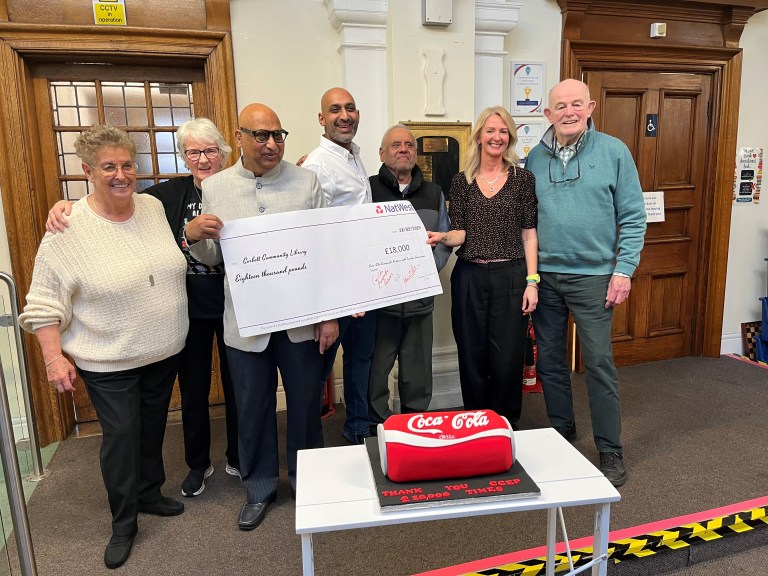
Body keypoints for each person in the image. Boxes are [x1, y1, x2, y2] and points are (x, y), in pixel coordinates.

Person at [19, 124, 188, 569]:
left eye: (127, 164)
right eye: (109, 166)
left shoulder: (151, 207)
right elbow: (42, 303)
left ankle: (150, 493)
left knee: (152, 428)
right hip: (107, 359)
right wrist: (54, 357)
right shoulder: (67, 227)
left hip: (162, 349)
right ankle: (124, 522)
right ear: (88, 171)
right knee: (121, 437)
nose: (120, 174)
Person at [45, 118, 240, 499]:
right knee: (194, 390)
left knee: (240, 388)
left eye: (210, 150)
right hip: (187, 313)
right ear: (184, 157)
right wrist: (65, 206)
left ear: (223, 152)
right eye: (193, 152)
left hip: (237, 306)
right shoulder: (161, 198)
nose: (202, 159)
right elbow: (114, 206)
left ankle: (239, 455)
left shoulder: (240, 188)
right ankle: (198, 464)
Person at [184, 103, 339, 531]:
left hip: (300, 321)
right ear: (238, 138)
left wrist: (330, 316)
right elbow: (214, 256)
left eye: (277, 134)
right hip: (245, 324)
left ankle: (309, 484)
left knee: (306, 406)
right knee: (252, 409)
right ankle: (259, 488)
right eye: (260, 135)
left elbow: (325, 253)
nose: (271, 144)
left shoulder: (306, 182)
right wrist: (194, 238)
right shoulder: (215, 186)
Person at [525, 79, 647, 487]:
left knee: (597, 363)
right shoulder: (534, 159)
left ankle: (610, 449)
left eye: (577, 104)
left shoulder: (614, 152)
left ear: (590, 107)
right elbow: (528, 223)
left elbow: (633, 215)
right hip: (547, 276)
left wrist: (624, 269)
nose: (569, 112)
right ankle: (562, 431)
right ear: (548, 113)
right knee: (551, 362)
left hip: (595, 278)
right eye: (560, 106)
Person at [427, 106, 538, 430]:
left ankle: (506, 427)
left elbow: (529, 234)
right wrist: (442, 236)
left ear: (510, 138)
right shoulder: (462, 182)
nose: (496, 137)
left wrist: (532, 282)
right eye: (490, 130)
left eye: (503, 131)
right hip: (470, 278)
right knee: (472, 356)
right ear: (478, 136)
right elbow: (461, 231)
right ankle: (476, 426)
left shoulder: (522, 179)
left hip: (511, 277)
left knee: (507, 359)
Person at [302, 87, 376, 445]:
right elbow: (316, 237)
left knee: (360, 359)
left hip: (363, 281)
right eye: (335, 110)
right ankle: (310, 444)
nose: (344, 116)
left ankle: (358, 427)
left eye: (350, 108)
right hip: (336, 286)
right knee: (317, 369)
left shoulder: (353, 158)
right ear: (321, 118)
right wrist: (329, 305)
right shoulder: (318, 164)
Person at [368, 124, 451, 430]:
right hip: (380, 306)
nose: (403, 149)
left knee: (417, 374)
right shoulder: (368, 189)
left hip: (419, 302)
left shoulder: (434, 193)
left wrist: (424, 274)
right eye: (395, 145)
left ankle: (415, 429)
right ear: (382, 153)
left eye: (409, 145)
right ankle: (377, 430)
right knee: (376, 373)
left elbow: (443, 242)